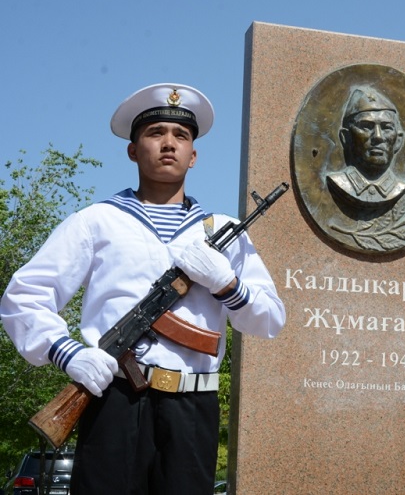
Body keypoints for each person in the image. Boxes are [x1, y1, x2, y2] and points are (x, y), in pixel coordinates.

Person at [0, 83, 286, 494]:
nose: (168, 144)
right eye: (155, 134)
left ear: (194, 156)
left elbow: (271, 320)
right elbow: (24, 297)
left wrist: (227, 284)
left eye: (181, 136)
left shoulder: (222, 231)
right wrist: (69, 354)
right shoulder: (97, 221)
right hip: (115, 401)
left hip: (193, 407)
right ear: (133, 150)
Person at [326, 86, 405, 210]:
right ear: (346, 137)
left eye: (387, 127)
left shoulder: (404, 188)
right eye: (366, 126)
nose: (378, 136)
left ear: (399, 140)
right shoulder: (337, 182)